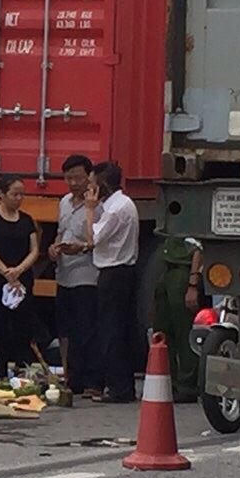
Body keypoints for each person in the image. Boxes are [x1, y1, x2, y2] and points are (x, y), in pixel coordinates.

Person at [84, 160, 140, 403]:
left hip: (114, 272)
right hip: (121, 271)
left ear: (103, 186)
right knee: (119, 328)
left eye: (92, 185)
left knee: (111, 331)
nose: (89, 189)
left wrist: (89, 209)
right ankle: (120, 384)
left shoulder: (115, 209)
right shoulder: (121, 204)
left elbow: (92, 238)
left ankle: (119, 387)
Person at [0, 174, 42, 376]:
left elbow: (34, 250)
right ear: (2, 194)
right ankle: (0, 369)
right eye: (14, 194)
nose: (18, 198)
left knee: (23, 324)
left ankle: (23, 367)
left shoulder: (26, 220)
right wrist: (6, 272)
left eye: (22, 194)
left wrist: (19, 270)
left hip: (21, 281)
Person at [51, 155, 101, 397]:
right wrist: (55, 247)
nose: (73, 183)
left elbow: (99, 239)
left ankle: (91, 379)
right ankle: (72, 377)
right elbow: (61, 232)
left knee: (87, 329)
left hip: (87, 273)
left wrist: (80, 247)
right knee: (66, 329)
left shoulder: (97, 205)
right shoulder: (64, 203)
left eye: (78, 178)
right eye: (68, 178)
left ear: (89, 177)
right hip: (64, 273)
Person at [155, 235, 203, 403]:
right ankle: (170, 381)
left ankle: (187, 385)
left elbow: (199, 248)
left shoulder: (191, 214)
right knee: (163, 329)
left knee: (184, 329)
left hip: (183, 271)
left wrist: (192, 283)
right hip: (168, 270)